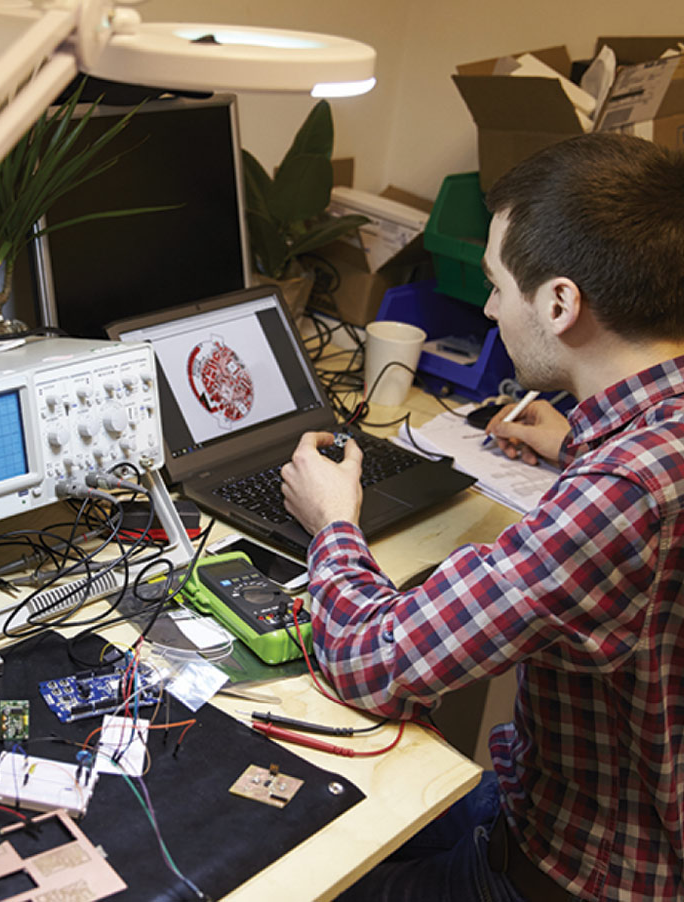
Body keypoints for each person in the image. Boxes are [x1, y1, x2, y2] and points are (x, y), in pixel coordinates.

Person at [280, 132, 684, 902]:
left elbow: (374, 663)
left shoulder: (624, 492)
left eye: (498, 284)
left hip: (579, 873)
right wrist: (579, 447)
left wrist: (334, 522)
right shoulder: (650, 445)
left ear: (562, 302)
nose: (492, 306)